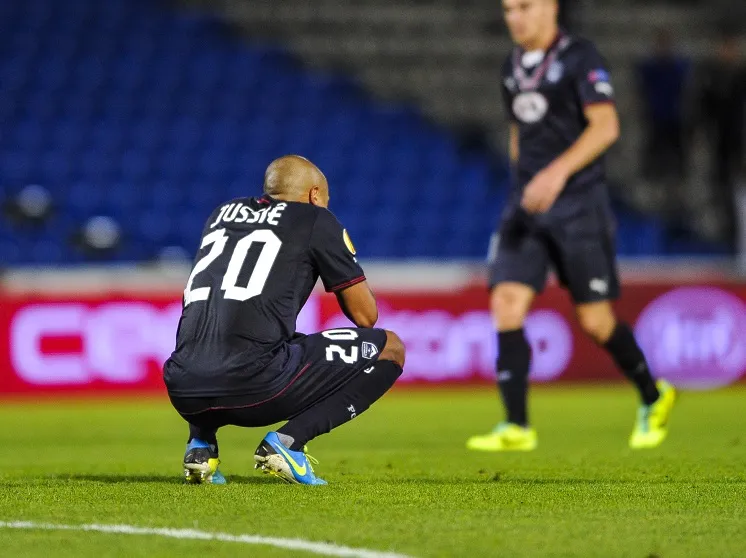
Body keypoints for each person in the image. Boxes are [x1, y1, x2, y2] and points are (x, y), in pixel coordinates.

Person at [467, 0, 676, 452]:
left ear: (550, 7)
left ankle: (652, 394)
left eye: (524, 7)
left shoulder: (580, 57)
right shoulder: (511, 65)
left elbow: (606, 127)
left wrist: (555, 173)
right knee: (506, 300)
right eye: (507, 9)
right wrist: (525, 177)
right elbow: (518, 130)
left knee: (595, 321)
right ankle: (517, 425)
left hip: (579, 207)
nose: (514, 18)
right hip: (528, 208)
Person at [164, 155, 405, 485]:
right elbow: (366, 317)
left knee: (224, 337)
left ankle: (201, 447)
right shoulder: (315, 219)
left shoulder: (222, 214)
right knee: (390, 348)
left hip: (182, 390)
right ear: (315, 195)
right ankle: (289, 443)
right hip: (255, 389)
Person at [696, 28, 746, 249]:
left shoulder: (741, 79)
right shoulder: (712, 77)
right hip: (723, 147)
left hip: (740, 147)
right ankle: (732, 241)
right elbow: (704, 112)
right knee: (728, 196)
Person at [636, 29, 691, 207]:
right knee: (654, 158)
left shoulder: (678, 67)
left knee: (677, 159)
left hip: (675, 120)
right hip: (655, 120)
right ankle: (654, 192)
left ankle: (677, 192)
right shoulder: (650, 68)